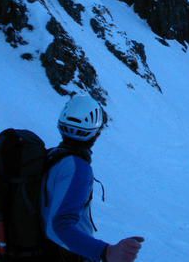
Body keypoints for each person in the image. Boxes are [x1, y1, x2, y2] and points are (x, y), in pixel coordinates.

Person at [42, 95, 144, 262]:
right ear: (95, 133)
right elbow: (59, 226)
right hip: (63, 255)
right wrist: (106, 252)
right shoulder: (77, 169)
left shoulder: (52, 156)